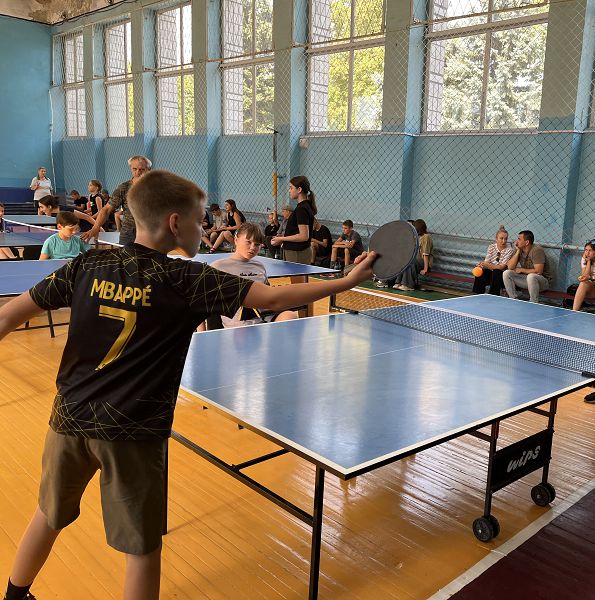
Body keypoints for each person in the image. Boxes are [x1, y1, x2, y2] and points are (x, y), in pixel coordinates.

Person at [0, 169, 377, 600]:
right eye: (200, 221)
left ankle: (13, 596)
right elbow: (272, 298)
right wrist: (347, 281)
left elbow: (8, 315)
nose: (205, 229)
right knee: (141, 549)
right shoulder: (187, 279)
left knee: (47, 515)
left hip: (68, 421)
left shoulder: (88, 263)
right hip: (133, 432)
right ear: (175, 223)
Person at [210, 223, 298, 327]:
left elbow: (268, 296)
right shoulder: (218, 267)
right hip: (239, 325)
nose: (252, 247)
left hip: (264, 318)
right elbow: (199, 304)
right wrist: (200, 335)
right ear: (236, 240)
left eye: (257, 244)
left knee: (290, 316)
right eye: (248, 242)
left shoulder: (259, 267)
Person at [82, 155, 152, 246]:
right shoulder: (124, 188)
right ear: (130, 168)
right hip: (129, 233)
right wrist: (95, 228)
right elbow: (106, 209)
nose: (137, 172)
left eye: (142, 169)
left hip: (150, 233)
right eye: (134, 169)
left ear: (148, 170)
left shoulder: (157, 188)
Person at [270, 176, 316, 264]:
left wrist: (282, 238)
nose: (289, 191)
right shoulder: (303, 207)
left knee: (296, 274)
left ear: (299, 189)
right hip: (295, 251)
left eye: (291, 188)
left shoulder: (301, 209)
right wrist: (283, 237)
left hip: (297, 253)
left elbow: (304, 236)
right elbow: (297, 232)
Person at [502, 230, 550, 302]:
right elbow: (510, 267)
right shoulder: (519, 249)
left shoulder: (537, 250)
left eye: (519, 239)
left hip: (542, 282)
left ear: (527, 242)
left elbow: (539, 271)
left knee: (531, 276)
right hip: (527, 279)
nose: (516, 241)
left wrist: (521, 270)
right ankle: (513, 299)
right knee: (507, 273)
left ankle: (533, 302)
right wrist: (518, 251)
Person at [392, 219, 433, 291]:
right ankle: (399, 282)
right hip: (417, 262)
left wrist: (425, 269)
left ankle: (408, 285)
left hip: (424, 262)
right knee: (405, 260)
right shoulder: (418, 237)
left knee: (411, 262)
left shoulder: (426, 237)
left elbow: (425, 254)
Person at [472, 226, 514, 295]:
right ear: (496, 239)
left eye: (506, 239)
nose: (504, 241)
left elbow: (502, 267)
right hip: (491, 274)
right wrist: (482, 265)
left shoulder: (509, 250)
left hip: (501, 277)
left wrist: (487, 265)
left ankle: (493, 295)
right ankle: (477, 294)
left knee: (496, 271)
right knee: (480, 270)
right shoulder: (491, 247)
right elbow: (487, 262)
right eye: (501, 238)